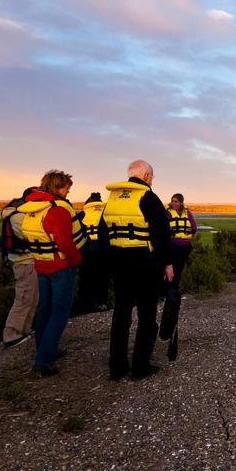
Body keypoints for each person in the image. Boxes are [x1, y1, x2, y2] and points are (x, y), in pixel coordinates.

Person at [100, 160, 173, 380]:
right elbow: (162, 234)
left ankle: (117, 368)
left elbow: (104, 234)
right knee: (147, 316)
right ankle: (140, 367)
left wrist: (108, 263)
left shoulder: (112, 199)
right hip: (146, 265)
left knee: (121, 315)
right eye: (152, 177)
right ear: (147, 176)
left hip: (120, 264)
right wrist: (167, 263)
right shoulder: (148, 197)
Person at [18, 170, 86, 376]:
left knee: (44, 310)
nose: (68, 191)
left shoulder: (33, 209)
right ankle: (43, 361)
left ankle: (45, 350)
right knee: (59, 313)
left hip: (41, 265)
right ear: (58, 187)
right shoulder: (58, 211)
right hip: (61, 268)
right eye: (67, 187)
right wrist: (77, 261)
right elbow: (65, 243)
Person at [159, 193, 196, 361]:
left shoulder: (187, 213)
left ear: (181, 202)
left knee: (178, 271)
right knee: (169, 270)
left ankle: (173, 291)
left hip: (184, 247)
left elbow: (193, 227)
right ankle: (167, 291)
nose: (173, 203)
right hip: (173, 246)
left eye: (176, 201)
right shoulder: (167, 213)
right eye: (172, 201)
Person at [0, 186, 38, 348]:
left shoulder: (15, 214)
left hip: (26, 262)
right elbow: (35, 234)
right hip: (25, 263)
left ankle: (24, 330)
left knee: (32, 298)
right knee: (23, 298)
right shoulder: (20, 217)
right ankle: (11, 335)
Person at [75, 192, 109, 312]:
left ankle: (85, 304)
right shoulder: (106, 212)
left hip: (86, 250)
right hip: (104, 250)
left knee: (85, 278)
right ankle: (102, 302)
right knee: (103, 278)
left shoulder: (83, 214)